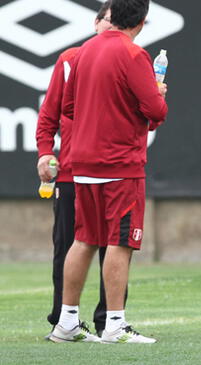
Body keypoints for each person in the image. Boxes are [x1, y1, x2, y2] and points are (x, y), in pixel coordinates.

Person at [49, 0, 168, 344]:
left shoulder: (84, 51)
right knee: (119, 241)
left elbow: (69, 106)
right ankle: (115, 325)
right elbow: (155, 110)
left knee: (84, 239)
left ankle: (67, 322)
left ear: (111, 16)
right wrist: (159, 94)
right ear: (143, 21)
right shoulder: (134, 55)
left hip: (82, 163)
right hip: (119, 163)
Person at [35, 1, 129, 340]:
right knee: (68, 245)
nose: (111, 26)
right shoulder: (70, 61)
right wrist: (45, 153)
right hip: (72, 173)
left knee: (115, 245)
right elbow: (49, 116)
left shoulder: (131, 60)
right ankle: (64, 319)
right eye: (107, 19)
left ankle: (109, 321)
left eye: (117, 20)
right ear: (95, 23)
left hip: (113, 171)